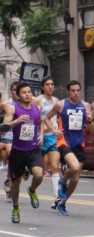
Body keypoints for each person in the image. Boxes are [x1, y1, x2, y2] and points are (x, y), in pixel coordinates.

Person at [46, 80, 93, 216]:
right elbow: (47, 118)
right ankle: (62, 180)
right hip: (64, 142)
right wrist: (54, 130)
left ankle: (63, 202)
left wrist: (90, 121)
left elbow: (90, 130)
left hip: (79, 143)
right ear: (69, 91)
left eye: (78, 90)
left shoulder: (86, 106)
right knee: (75, 167)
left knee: (76, 178)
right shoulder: (61, 105)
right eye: (73, 90)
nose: (76, 93)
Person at [3, 82, 43, 223]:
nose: (27, 94)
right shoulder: (14, 109)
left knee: (39, 174)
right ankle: (15, 208)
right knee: (16, 183)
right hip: (18, 151)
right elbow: (4, 126)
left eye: (29, 92)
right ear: (19, 96)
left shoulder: (36, 108)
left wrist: (41, 135)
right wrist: (17, 121)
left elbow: (40, 123)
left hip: (33, 149)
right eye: (24, 92)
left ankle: (32, 190)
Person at [35, 77, 61, 201]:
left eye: (52, 84)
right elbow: (38, 118)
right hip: (39, 137)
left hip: (51, 136)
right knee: (38, 171)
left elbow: (59, 117)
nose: (50, 86)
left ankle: (57, 197)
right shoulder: (38, 100)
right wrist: (40, 132)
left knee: (55, 166)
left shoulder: (56, 101)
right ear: (42, 87)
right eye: (47, 84)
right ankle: (32, 189)